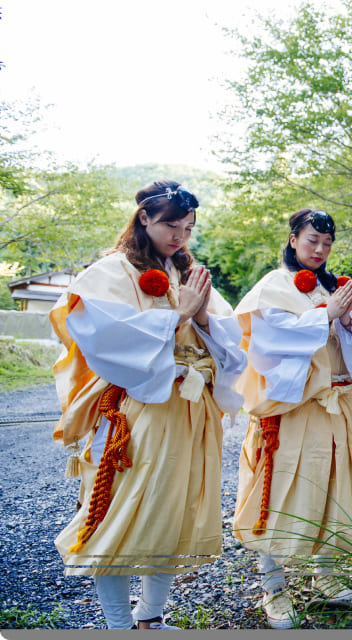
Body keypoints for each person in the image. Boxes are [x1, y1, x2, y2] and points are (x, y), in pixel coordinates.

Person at [48, 180, 247, 629]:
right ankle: (119, 625)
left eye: (188, 228)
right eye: (170, 225)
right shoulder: (112, 271)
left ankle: (150, 618)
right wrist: (177, 315)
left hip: (189, 410)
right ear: (143, 219)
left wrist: (199, 316)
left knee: (172, 510)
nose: (179, 236)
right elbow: (97, 332)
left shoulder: (185, 273)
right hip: (137, 412)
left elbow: (231, 337)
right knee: (117, 515)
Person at [232, 209, 352, 629]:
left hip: (338, 402)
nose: (319, 249)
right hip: (293, 407)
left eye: (327, 243)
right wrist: (325, 315)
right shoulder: (273, 286)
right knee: (277, 488)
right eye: (312, 240)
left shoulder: (347, 289)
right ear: (294, 239)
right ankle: (273, 586)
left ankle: (326, 576)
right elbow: (269, 340)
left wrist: (347, 317)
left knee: (334, 486)